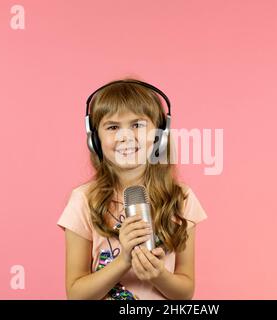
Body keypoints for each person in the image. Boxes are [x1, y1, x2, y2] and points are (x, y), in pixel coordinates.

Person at [57, 78, 208, 300]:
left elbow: (185, 293)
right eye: (113, 127)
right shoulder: (83, 200)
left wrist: (158, 275)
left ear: (160, 137)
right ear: (95, 140)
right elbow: (76, 295)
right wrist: (123, 261)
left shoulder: (181, 199)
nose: (125, 136)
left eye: (137, 125)